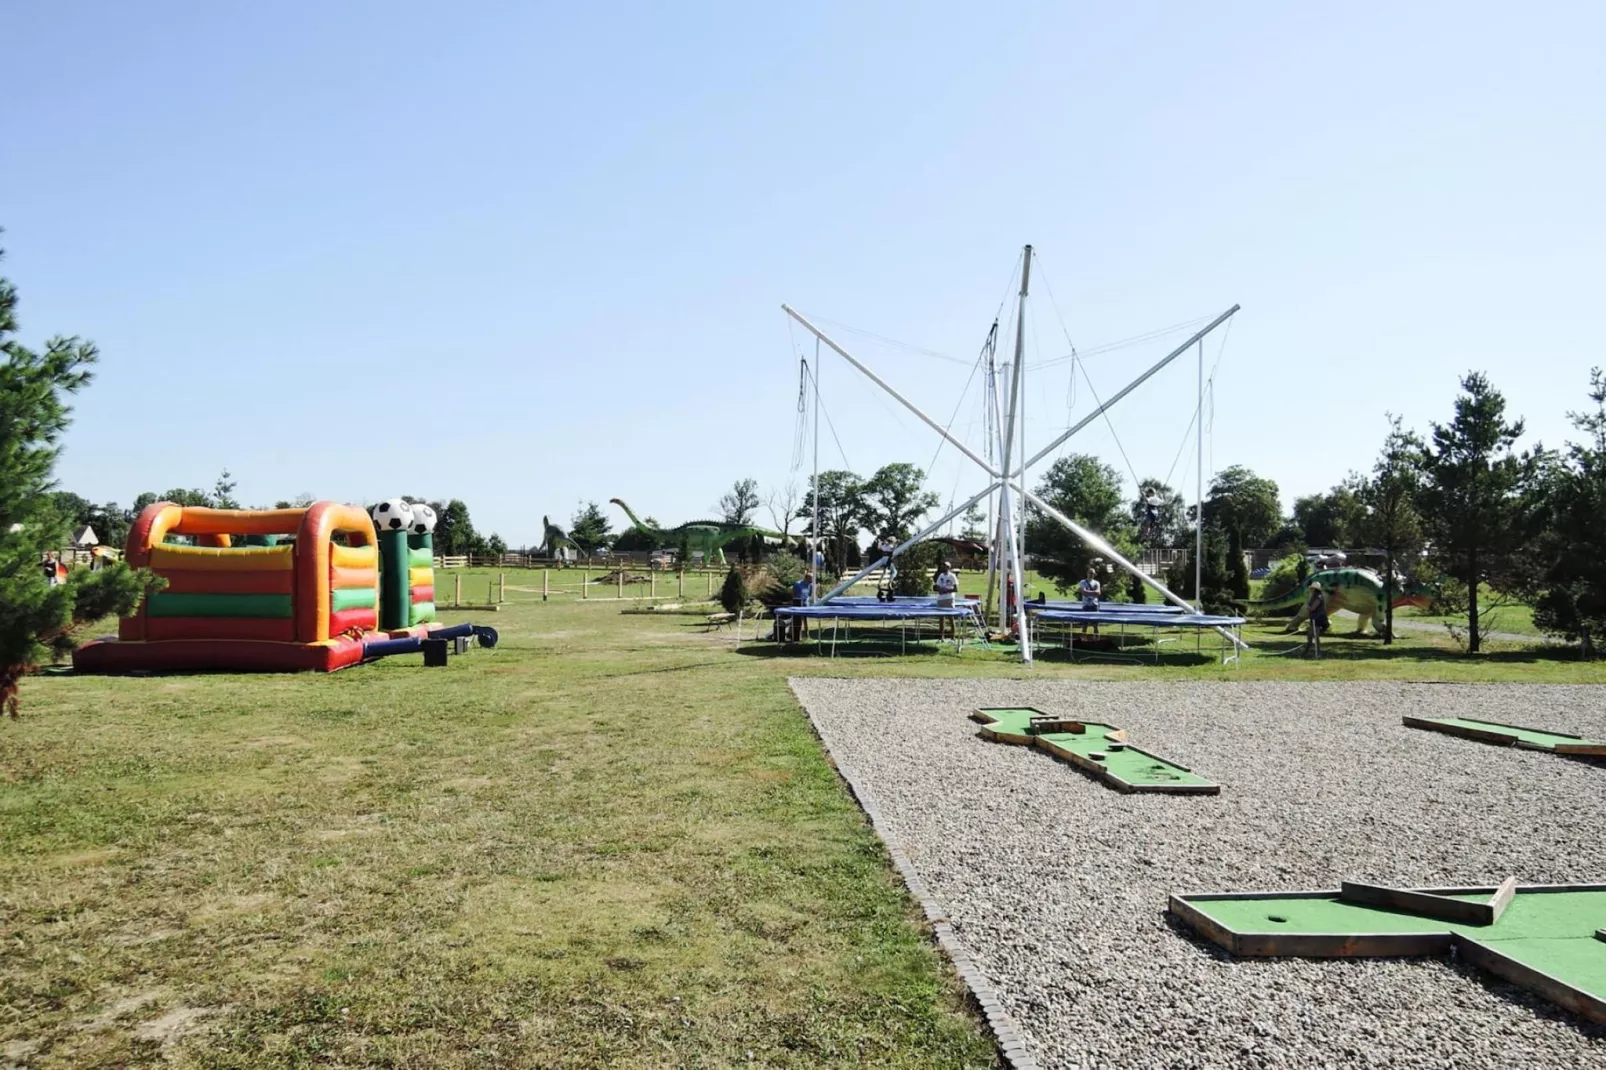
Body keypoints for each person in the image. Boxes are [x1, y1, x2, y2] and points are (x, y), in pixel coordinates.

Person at [933, 560, 960, 640]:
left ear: (948, 567)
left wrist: (945, 591)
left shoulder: (952, 576)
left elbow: (956, 589)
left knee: (951, 618)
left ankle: (953, 636)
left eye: (945, 566)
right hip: (940, 599)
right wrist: (939, 589)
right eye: (942, 565)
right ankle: (941, 636)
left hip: (949, 599)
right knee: (941, 619)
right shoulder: (941, 575)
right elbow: (937, 586)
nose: (943, 567)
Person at [1303, 581, 1328, 658]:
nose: (1310, 590)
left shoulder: (1318, 597)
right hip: (1314, 618)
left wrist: (1308, 607)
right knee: (1310, 635)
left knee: (1315, 635)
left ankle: (1318, 653)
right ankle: (1306, 651)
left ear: (1314, 589)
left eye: (1312, 588)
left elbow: (1313, 608)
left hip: (1317, 618)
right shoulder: (1314, 596)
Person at [788, 571, 815, 642]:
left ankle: (806, 634)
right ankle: (792, 634)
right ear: (806, 578)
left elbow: (809, 594)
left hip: (805, 604)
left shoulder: (810, 585)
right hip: (797, 604)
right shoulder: (797, 584)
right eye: (811, 579)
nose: (812, 580)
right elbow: (793, 594)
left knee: (805, 620)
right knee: (796, 620)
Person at [1076, 565, 1102, 637]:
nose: (1091, 575)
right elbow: (1084, 593)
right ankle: (1083, 639)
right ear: (1087, 573)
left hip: (1094, 606)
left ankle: (1097, 639)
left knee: (1096, 625)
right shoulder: (1082, 582)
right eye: (1090, 573)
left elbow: (1098, 593)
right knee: (1084, 625)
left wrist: (1088, 592)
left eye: (1092, 573)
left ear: (1094, 574)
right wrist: (1093, 592)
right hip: (1086, 605)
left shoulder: (1097, 583)